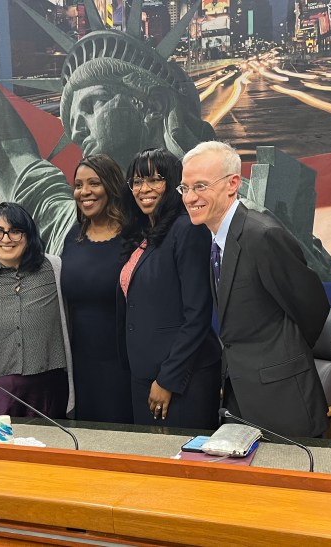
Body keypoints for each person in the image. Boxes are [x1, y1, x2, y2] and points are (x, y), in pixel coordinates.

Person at [0, 0, 213, 255]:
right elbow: (4, 153)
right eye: (73, 124)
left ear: (152, 105)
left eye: (91, 106)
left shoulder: (220, 207)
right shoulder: (73, 224)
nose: (80, 132)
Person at [181, 141, 330, 437]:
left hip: (282, 399)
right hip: (241, 398)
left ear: (233, 184)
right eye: (184, 188)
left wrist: (280, 359)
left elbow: (313, 308)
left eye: (200, 186)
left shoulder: (262, 235)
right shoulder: (214, 240)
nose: (190, 197)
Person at [118, 148, 222, 429]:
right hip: (144, 375)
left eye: (154, 179)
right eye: (137, 182)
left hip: (181, 379)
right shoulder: (144, 234)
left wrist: (168, 379)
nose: (144, 189)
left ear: (173, 182)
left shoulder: (188, 229)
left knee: (182, 466)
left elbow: (197, 315)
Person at [0, 203, 73, 418]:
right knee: (6, 450)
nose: (6, 239)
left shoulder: (54, 267)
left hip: (50, 386)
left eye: (15, 231)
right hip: (0, 389)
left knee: (51, 447)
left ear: (29, 235)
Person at [61, 154, 133, 423]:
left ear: (112, 186)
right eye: (79, 185)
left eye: (94, 183)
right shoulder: (72, 236)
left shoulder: (134, 237)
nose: (85, 192)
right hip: (81, 366)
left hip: (124, 365)